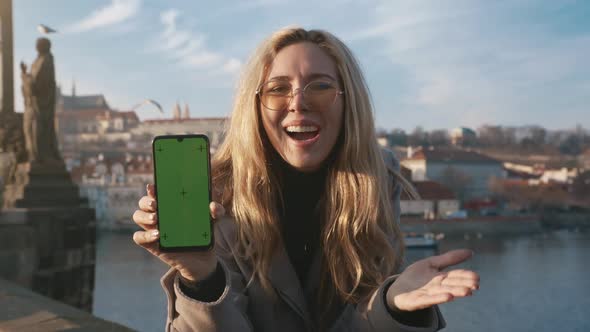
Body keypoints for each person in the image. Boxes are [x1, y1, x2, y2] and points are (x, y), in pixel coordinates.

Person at [133, 27, 479, 332]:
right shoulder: (218, 196)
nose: (298, 102)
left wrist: (390, 307)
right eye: (278, 89)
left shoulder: (374, 179)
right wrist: (203, 281)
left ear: (349, 102)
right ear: (255, 105)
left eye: (321, 86)